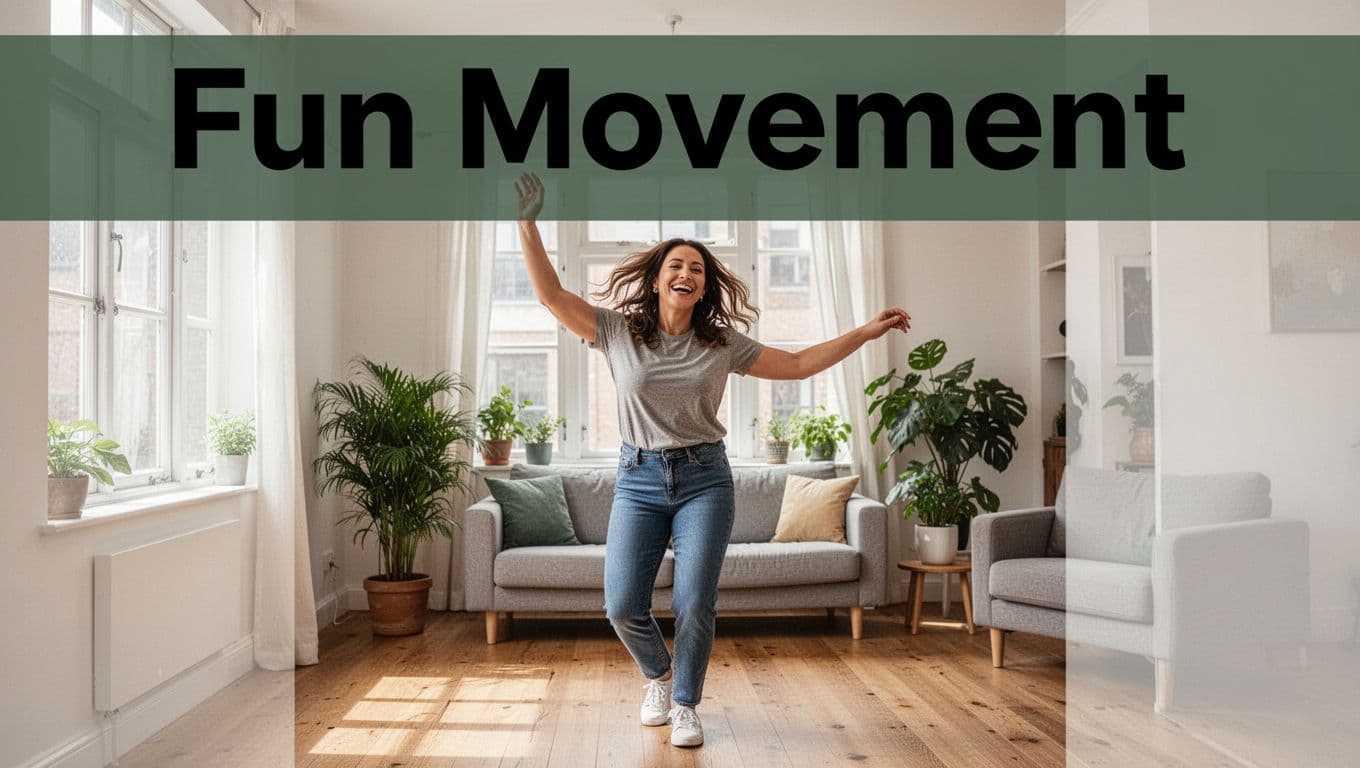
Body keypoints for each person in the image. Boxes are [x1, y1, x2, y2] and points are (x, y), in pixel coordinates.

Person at [513, 172, 910, 747]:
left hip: (705, 480)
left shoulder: (722, 344)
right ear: (655, 281)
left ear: (703, 287)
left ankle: (685, 703)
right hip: (638, 478)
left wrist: (866, 333)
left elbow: (798, 365)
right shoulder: (616, 331)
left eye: (696, 269)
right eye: (675, 265)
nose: (686, 273)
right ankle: (658, 674)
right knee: (622, 604)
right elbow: (550, 295)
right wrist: (527, 224)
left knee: (695, 599)